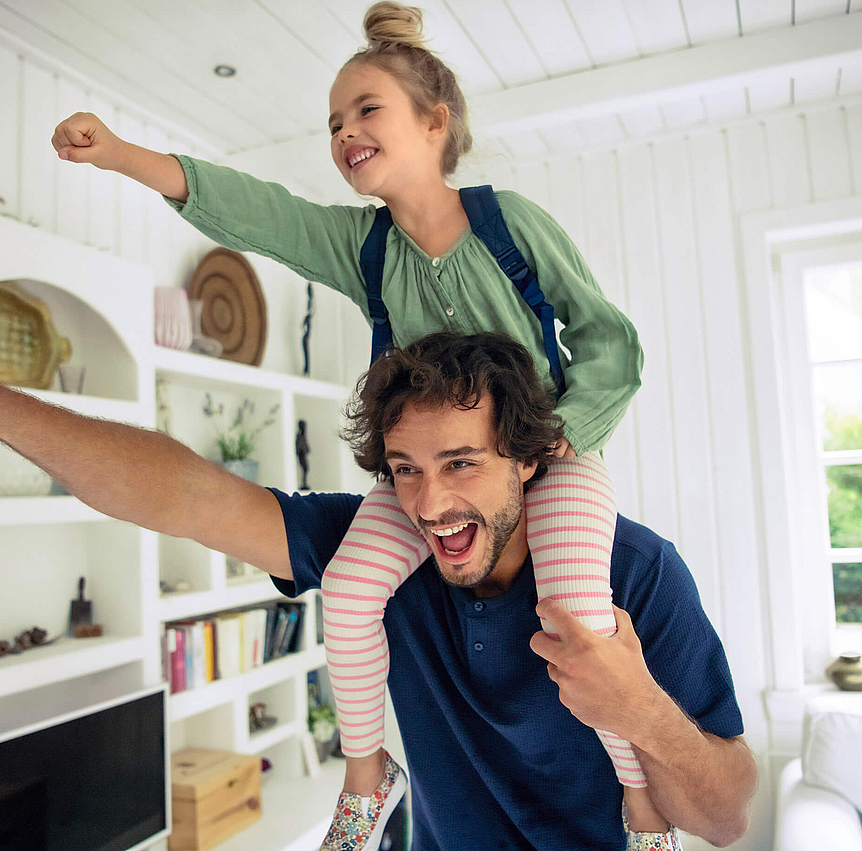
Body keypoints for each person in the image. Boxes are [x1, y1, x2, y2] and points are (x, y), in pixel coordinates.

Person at [49, 2, 650, 844]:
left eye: (366, 110)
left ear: (435, 123)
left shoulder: (510, 225)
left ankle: (641, 796)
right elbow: (259, 212)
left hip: (552, 459)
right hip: (426, 475)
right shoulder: (360, 249)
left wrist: (565, 433)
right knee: (356, 589)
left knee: (581, 610)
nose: (344, 132)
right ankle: (369, 776)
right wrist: (119, 155)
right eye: (334, 121)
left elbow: (609, 342)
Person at [0, 326, 757, 851]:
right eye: (406, 470)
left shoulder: (636, 574)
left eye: (461, 463)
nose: (430, 501)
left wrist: (640, 707)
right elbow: (186, 496)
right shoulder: (382, 555)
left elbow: (723, 817)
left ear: (529, 460)